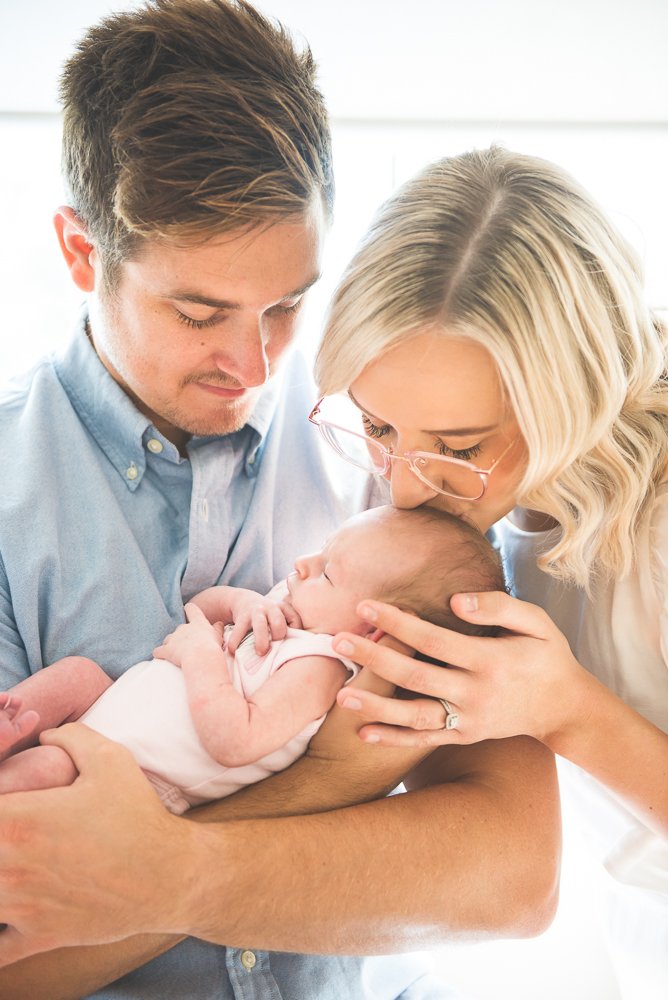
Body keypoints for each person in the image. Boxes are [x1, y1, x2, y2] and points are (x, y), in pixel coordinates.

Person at [0, 3, 559, 998]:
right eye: (198, 310)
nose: (256, 363)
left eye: (288, 304)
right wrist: (332, 782)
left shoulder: (384, 450)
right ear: (82, 254)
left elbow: (511, 874)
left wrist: (164, 863)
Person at [311, 144, 668, 1000]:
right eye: (378, 425)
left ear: (569, 396)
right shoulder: (427, 496)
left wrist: (570, 713)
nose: (397, 482)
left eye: (459, 448)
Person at [0, 506, 504, 809]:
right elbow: (197, 611)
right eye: (320, 551)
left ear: (373, 628)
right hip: (110, 712)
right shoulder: (293, 611)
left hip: (138, 779)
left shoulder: (320, 668)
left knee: (48, 767)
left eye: (329, 572)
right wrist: (241, 601)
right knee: (76, 675)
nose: (302, 565)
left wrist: (201, 656)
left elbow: (235, 742)